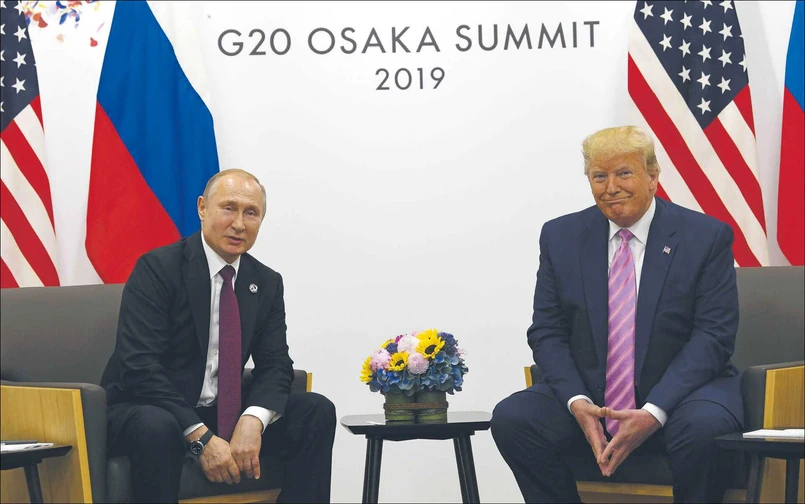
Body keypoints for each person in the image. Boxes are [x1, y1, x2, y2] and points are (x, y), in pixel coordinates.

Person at [491, 126, 743, 503]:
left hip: (682, 396)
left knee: (705, 427)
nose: (611, 187)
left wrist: (654, 410)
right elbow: (547, 332)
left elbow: (713, 336)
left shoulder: (705, 237)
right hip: (593, 394)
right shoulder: (561, 236)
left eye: (624, 173)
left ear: (653, 176)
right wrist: (577, 402)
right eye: (599, 176)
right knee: (513, 418)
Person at [101, 169, 336, 503]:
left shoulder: (265, 282)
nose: (239, 224)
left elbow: (276, 364)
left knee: (315, 410)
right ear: (202, 208)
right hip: (148, 408)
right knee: (157, 425)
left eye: (251, 213)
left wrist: (253, 419)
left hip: (219, 411)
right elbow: (138, 366)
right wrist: (201, 438)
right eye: (228, 208)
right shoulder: (158, 268)